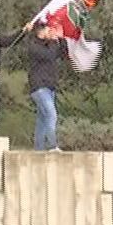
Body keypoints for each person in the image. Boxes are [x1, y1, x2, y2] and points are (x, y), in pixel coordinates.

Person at [25, 20, 68, 152]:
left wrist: (61, 38)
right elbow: (49, 55)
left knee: (42, 119)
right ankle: (52, 145)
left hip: (49, 86)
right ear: (40, 31)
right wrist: (54, 41)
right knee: (51, 114)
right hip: (39, 86)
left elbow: (63, 53)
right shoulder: (34, 46)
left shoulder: (50, 44)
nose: (50, 32)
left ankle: (38, 148)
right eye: (47, 30)